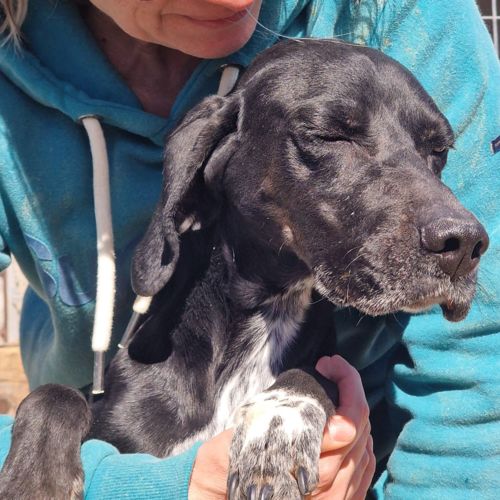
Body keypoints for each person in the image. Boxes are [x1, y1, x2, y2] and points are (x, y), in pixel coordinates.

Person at [0, 0, 498, 498]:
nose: (456, 223)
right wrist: (134, 485)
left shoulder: (413, 16)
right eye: (329, 135)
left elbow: (475, 374)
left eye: (437, 153)